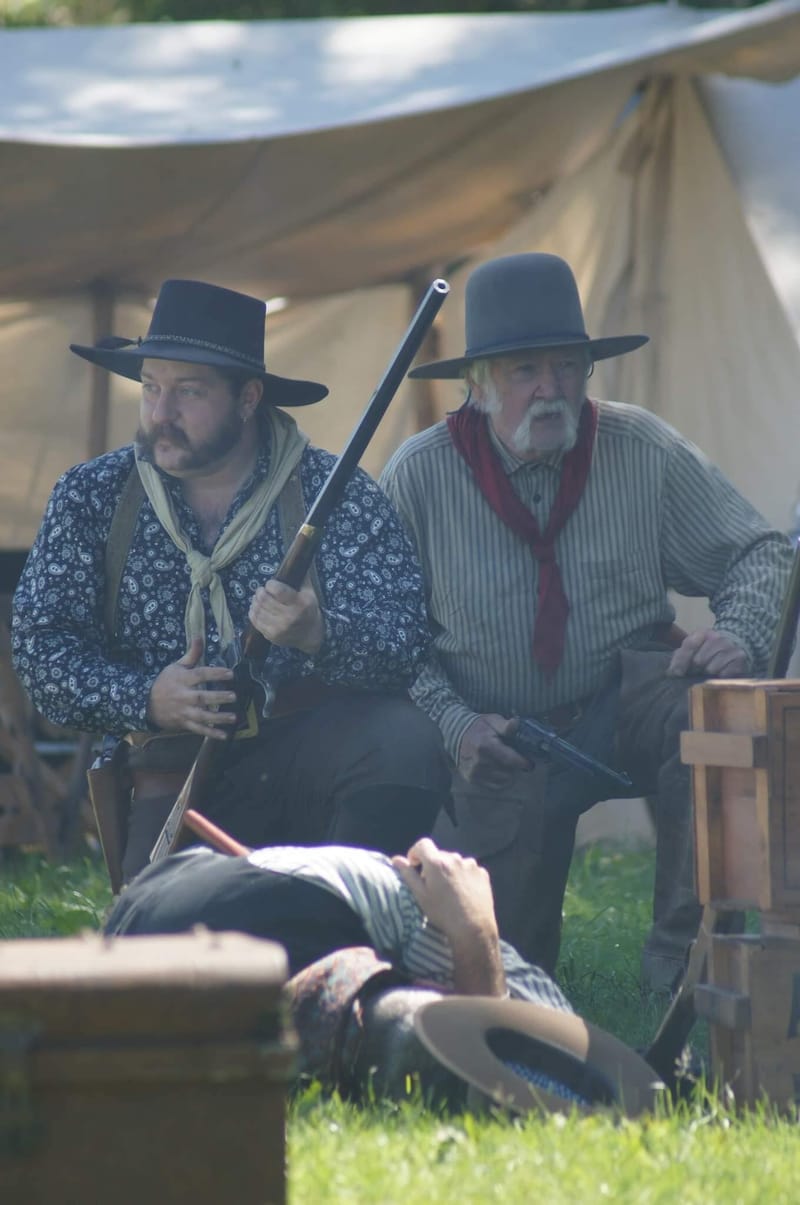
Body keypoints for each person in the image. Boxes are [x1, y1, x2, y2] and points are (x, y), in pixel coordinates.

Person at [378, 252, 795, 993]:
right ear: (478, 386)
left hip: (625, 698)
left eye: (567, 367)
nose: (551, 390)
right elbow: (383, 635)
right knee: (501, 964)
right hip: (501, 734)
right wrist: (458, 725)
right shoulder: (420, 474)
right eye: (524, 371)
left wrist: (742, 634)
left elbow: (762, 550)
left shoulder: (639, 449)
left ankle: (685, 968)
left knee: (711, 712)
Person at [12, 279, 451, 883]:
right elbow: (41, 649)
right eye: (151, 388)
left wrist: (319, 633)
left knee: (403, 744)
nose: (161, 413)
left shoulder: (335, 489)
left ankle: (346, 918)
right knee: (167, 952)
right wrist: (147, 698)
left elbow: (406, 647)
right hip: (174, 765)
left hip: (315, 752)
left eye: (188, 392)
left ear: (248, 398)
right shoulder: (92, 495)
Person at [103, 836, 575, 1102]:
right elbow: (487, 1066)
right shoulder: (546, 1013)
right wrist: (476, 931)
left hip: (148, 902)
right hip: (266, 911)